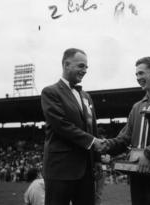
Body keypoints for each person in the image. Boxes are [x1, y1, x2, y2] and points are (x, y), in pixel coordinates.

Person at [101, 57, 150, 205]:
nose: (138, 78)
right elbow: (124, 138)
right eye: (136, 74)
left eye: (141, 73)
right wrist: (103, 146)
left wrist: (149, 154)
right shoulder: (137, 107)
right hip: (138, 172)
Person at [41, 48, 104, 205]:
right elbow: (61, 125)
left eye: (86, 67)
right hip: (60, 170)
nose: (85, 71)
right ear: (66, 64)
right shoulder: (50, 92)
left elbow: (93, 128)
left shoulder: (86, 96)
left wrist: (97, 160)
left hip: (86, 170)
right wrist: (91, 141)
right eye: (81, 66)